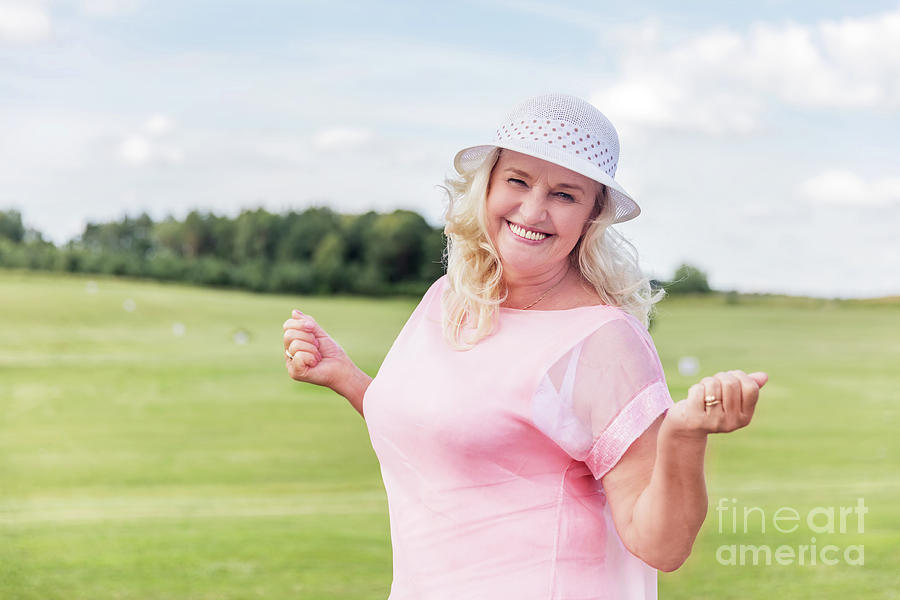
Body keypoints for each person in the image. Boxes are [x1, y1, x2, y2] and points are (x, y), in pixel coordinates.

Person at [282, 93, 768, 599]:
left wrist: (684, 436)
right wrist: (347, 378)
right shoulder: (448, 298)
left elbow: (661, 546)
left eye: (565, 195)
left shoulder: (601, 340)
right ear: (488, 183)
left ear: (592, 214)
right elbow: (445, 433)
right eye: (517, 180)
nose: (533, 210)